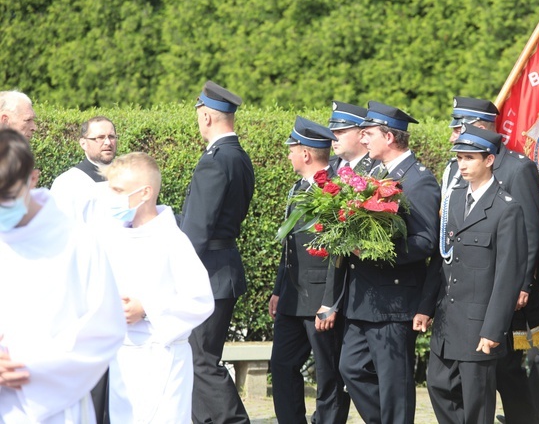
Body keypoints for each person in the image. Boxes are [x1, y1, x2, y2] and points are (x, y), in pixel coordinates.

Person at [0, 129, 126, 423]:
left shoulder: (76, 241)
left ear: (31, 180)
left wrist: (31, 366)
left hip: (57, 405)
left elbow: (105, 327)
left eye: (6, 195)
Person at [440, 97, 539, 423]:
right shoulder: (457, 171)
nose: (455, 134)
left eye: (462, 126)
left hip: (500, 283)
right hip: (465, 287)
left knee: (504, 367)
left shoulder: (517, 167)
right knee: (483, 373)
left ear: (481, 125)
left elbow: (527, 229)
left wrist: (524, 283)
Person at [339, 101, 441, 423]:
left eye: (368, 134)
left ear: (389, 137)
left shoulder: (418, 180)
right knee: (350, 368)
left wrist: (375, 249)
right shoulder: (370, 175)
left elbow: (425, 243)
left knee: (394, 384)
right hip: (363, 298)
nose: (363, 139)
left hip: (394, 299)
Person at [100, 152, 215, 422]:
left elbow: (200, 300)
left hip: (161, 358)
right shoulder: (113, 236)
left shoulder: (172, 240)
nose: (111, 197)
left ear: (144, 193)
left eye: (118, 191)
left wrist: (147, 309)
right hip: (123, 357)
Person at [424, 124, 527, 424]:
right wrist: (425, 307)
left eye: (470, 158)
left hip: (479, 323)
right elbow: (442, 260)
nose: (463, 165)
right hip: (448, 320)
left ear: (489, 160)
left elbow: (508, 276)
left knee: (477, 402)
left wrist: (493, 330)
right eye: (459, 158)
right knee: (439, 385)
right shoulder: (454, 198)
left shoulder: (507, 209)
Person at [179, 81, 256, 424]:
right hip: (219, 269)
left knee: (201, 360)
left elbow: (198, 229)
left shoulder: (216, 160)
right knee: (198, 357)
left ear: (207, 116)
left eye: (199, 116)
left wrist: (174, 269)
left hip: (207, 272)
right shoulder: (237, 155)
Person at [269, 116, 350, 424]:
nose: (288, 154)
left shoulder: (334, 190)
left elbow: (338, 255)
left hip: (319, 300)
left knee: (328, 375)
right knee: (282, 365)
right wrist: (279, 289)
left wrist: (330, 302)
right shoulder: (298, 187)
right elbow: (289, 246)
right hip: (292, 297)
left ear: (305, 153)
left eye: (292, 148)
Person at [50, 116, 118, 222]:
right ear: (83, 143)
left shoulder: (129, 177)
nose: (108, 142)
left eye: (111, 137)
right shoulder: (67, 183)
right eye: (100, 137)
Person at [327, 100, 377, 175]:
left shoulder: (378, 167)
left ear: (363, 134)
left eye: (340, 132)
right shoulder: (326, 164)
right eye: (332, 132)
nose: (334, 138)